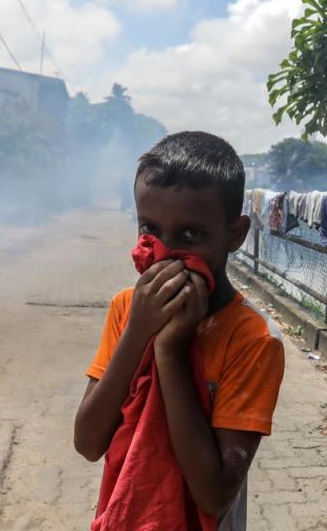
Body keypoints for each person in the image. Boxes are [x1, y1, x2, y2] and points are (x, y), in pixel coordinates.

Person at [74, 131, 285, 530]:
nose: (166, 254)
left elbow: (214, 493)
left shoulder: (252, 339)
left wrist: (168, 352)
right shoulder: (127, 310)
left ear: (235, 235)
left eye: (191, 234)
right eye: (150, 231)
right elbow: (87, 442)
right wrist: (139, 331)